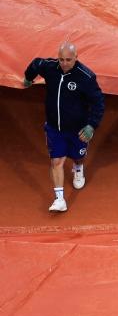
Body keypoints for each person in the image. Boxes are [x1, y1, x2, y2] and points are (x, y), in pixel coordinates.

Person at [23, 41, 105, 212]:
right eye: (61, 59)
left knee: (78, 156)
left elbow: (98, 103)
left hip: (78, 129)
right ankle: (59, 199)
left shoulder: (86, 77)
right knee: (57, 161)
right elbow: (36, 63)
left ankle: (78, 167)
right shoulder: (50, 67)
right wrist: (28, 77)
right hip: (54, 127)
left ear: (76, 57)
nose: (64, 63)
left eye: (68, 59)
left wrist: (91, 125)